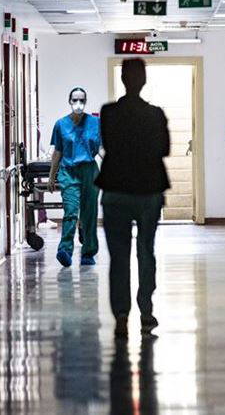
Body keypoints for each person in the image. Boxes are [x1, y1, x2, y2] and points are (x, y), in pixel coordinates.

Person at [95, 58, 170, 337]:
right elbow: (165, 148)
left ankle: (122, 317)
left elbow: (107, 144)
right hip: (148, 189)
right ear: (144, 80)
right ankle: (146, 312)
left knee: (119, 257)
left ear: (123, 79)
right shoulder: (155, 114)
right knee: (145, 251)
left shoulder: (109, 113)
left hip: (115, 189)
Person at [48, 87, 101, 267]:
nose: (78, 103)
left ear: (85, 102)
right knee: (70, 211)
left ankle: (88, 252)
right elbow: (57, 152)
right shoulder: (61, 124)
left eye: (81, 100)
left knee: (89, 214)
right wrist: (51, 176)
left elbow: (101, 148)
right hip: (68, 172)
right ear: (69, 101)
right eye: (75, 100)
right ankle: (64, 250)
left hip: (89, 172)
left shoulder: (95, 123)